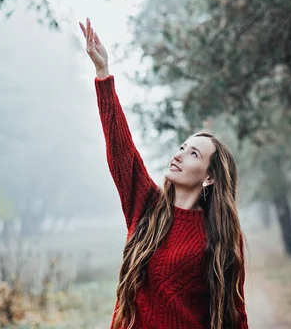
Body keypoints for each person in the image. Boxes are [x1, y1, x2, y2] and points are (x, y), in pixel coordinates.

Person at [79, 17, 249, 329]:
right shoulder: (146, 205)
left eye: (194, 153)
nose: (180, 154)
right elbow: (122, 152)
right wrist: (103, 75)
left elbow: (232, 313)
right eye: (183, 147)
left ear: (209, 177)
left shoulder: (221, 234)